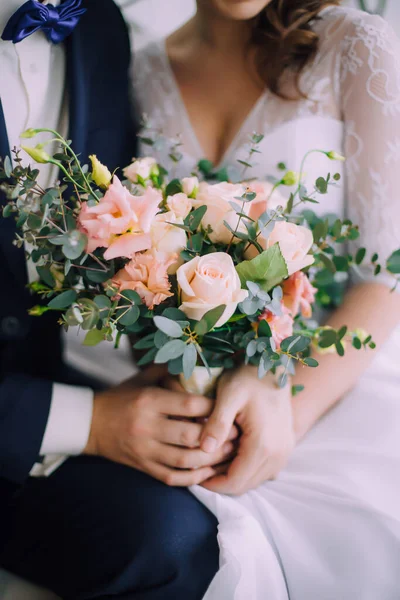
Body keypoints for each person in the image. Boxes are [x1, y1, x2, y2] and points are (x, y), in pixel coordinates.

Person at [133, 0, 400, 597]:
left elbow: (387, 277)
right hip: (205, 405)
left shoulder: (359, 47)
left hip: (341, 380)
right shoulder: (139, 68)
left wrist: (283, 404)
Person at [0, 1, 230, 598]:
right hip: (46, 414)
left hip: (54, 388)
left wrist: (171, 356)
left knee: (188, 538)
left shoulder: (98, 24)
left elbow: (112, 229)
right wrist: (94, 424)